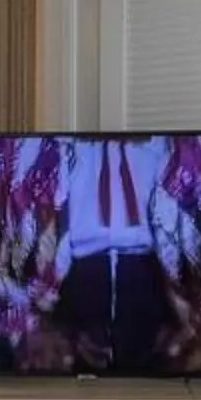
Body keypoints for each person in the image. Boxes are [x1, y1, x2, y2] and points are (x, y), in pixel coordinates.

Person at [54, 136, 173, 373]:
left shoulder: (158, 146)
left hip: (141, 264)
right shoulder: (69, 147)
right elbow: (57, 207)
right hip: (85, 265)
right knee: (86, 355)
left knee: (144, 360)